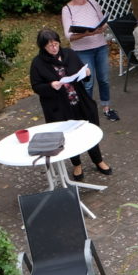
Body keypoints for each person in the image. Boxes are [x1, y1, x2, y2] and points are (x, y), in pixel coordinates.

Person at [28, 28, 113, 179]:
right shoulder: (38, 63)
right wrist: (50, 86)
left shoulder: (69, 54)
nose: (54, 48)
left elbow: (81, 72)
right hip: (59, 107)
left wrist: (87, 74)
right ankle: (77, 164)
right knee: (68, 136)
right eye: (49, 46)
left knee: (88, 131)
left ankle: (98, 160)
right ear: (43, 47)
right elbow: (36, 86)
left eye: (56, 43)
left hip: (80, 101)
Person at [61, 0, 119, 121]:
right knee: (88, 81)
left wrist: (101, 28)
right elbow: (69, 35)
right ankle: (87, 111)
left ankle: (107, 107)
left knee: (104, 79)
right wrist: (86, 33)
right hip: (82, 50)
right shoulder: (67, 9)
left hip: (100, 46)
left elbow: (103, 22)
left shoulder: (93, 4)